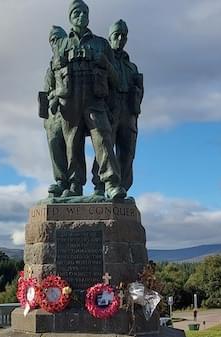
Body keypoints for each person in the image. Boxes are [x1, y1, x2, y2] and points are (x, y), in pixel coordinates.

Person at [54, 0, 126, 199]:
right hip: (70, 99)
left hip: (95, 97)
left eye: (84, 12)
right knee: (72, 142)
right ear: (70, 17)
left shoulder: (101, 43)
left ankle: (110, 183)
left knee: (103, 137)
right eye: (76, 12)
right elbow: (54, 74)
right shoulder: (61, 44)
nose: (81, 16)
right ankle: (75, 184)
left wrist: (106, 64)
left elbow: (116, 79)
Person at [92, 19, 144, 195]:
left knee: (128, 153)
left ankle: (122, 189)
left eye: (123, 35)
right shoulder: (104, 60)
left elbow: (140, 91)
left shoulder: (132, 67)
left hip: (128, 113)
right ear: (110, 37)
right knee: (105, 148)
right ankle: (100, 186)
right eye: (116, 35)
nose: (120, 38)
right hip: (110, 109)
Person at [41, 25, 69, 197]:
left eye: (58, 39)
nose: (55, 43)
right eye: (52, 40)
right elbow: (46, 90)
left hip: (73, 109)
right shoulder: (51, 66)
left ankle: (78, 184)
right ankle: (61, 181)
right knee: (54, 141)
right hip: (55, 113)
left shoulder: (71, 61)